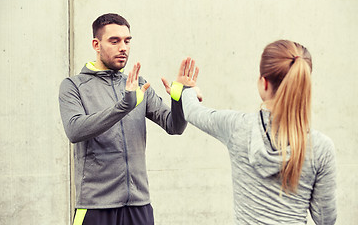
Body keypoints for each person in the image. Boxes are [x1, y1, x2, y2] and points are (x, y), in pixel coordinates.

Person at [176, 40, 337, 225]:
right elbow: (326, 219)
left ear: (264, 83)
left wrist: (187, 88)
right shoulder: (321, 147)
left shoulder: (236, 127)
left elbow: (192, 112)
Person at [59, 13, 190, 225]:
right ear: (96, 44)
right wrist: (123, 107)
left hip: (139, 205)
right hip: (95, 207)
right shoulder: (73, 86)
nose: (124, 48)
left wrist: (180, 101)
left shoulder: (139, 85)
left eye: (127, 41)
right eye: (115, 41)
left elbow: (174, 126)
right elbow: (74, 131)